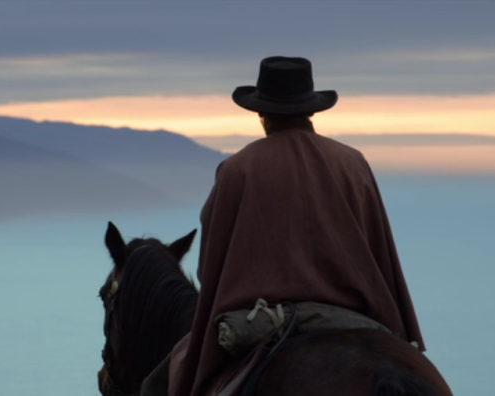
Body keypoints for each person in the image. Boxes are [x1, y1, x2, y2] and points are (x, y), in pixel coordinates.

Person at [168, 56, 425, 396]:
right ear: (312, 110)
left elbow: (212, 262)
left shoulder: (238, 168)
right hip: (358, 314)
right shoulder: (352, 162)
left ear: (261, 113)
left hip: (265, 319)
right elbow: (379, 245)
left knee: (167, 378)